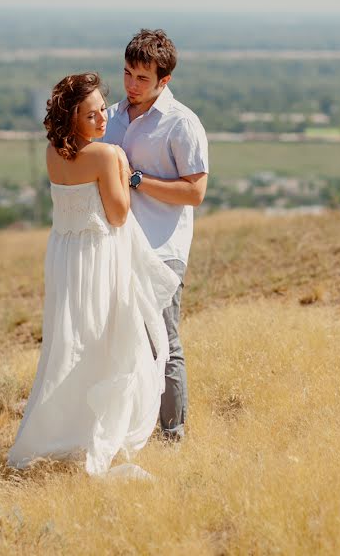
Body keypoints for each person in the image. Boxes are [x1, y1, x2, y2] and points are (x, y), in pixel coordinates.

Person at [6, 72, 180, 477]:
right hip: (98, 257)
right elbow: (118, 215)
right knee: (102, 341)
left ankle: (61, 428)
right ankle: (91, 431)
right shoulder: (105, 156)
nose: (102, 120)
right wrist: (120, 164)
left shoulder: (52, 153)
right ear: (72, 118)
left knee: (68, 341)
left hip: (66, 256)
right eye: (91, 115)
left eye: (103, 109)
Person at [101, 29, 209, 441]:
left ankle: (173, 436)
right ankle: (128, 431)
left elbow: (195, 192)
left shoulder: (182, 124)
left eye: (142, 79)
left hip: (162, 248)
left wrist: (138, 180)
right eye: (127, 73)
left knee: (162, 342)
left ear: (165, 81)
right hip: (115, 246)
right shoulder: (109, 117)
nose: (131, 85)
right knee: (117, 342)